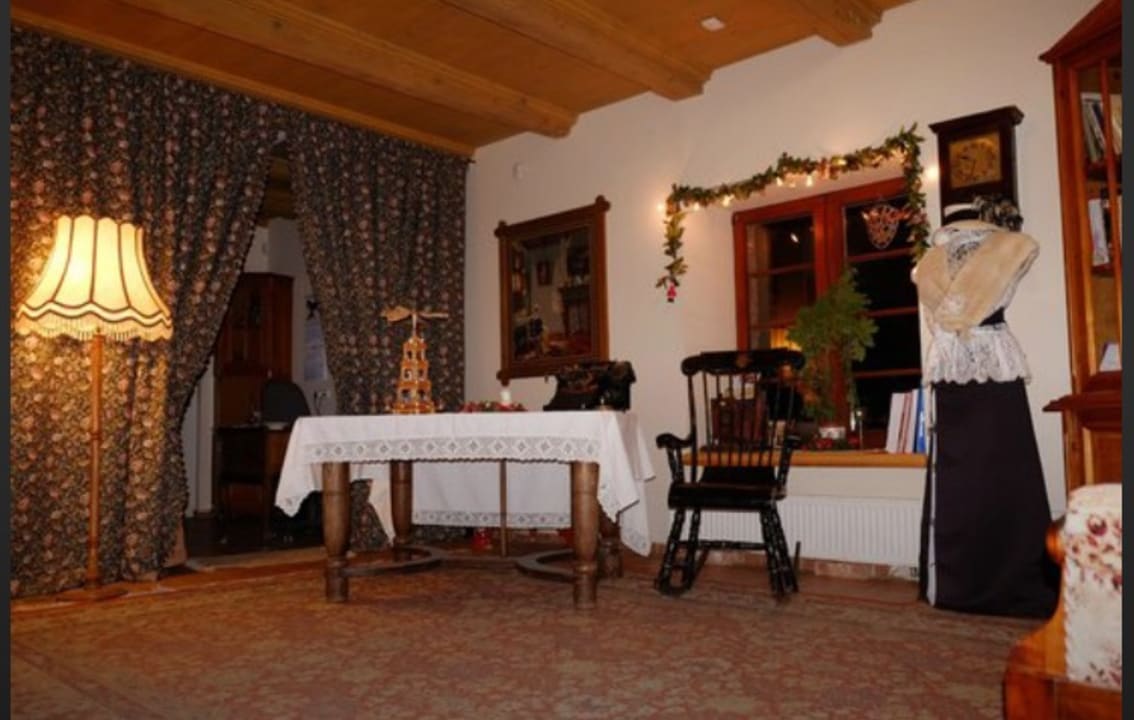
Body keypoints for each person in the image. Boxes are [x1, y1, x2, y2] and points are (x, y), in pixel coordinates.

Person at [912, 199, 1058, 618]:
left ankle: (1018, 582)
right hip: (951, 373)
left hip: (993, 368)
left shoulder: (1013, 247)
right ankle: (956, 583)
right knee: (958, 482)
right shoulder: (927, 264)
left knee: (1007, 473)